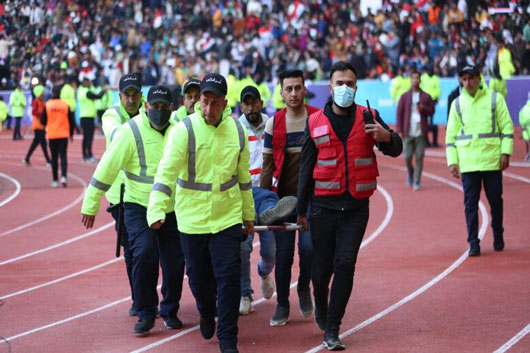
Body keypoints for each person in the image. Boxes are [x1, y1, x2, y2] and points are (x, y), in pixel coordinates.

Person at [297, 61, 402, 350]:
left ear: (357, 87)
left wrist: (387, 137)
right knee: (321, 272)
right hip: (321, 209)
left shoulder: (370, 116)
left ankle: (332, 328)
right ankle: (320, 300)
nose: (345, 88)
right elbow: (306, 168)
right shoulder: (315, 121)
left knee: (345, 264)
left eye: (350, 83)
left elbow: (397, 147)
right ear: (330, 88)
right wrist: (301, 211)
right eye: (339, 83)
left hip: (355, 208)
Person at [147, 74, 255, 353]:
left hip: (227, 216)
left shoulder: (238, 131)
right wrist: (157, 207)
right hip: (192, 219)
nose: (208, 109)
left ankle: (229, 339)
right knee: (198, 279)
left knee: (229, 276)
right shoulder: (184, 130)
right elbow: (166, 172)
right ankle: (207, 312)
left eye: (214, 104)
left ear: (225, 104)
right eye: (204, 102)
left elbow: (243, 178)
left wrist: (248, 213)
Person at [81, 85, 185, 335]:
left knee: (174, 260)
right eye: (154, 107)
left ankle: (170, 310)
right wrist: (91, 202)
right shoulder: (130, 131)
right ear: (145, 107)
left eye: (164, 107)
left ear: (172, 108)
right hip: (138, 205)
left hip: (171, 206)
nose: (158, 112)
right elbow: (108, 167)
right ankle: (146, 311)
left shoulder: (179, 131)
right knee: (144, 252)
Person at [261, 69, 318, 327]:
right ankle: (282, 305)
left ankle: (304, 286)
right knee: (283, 256)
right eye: (289, 89)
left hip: (312, 200)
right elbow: (266, 165)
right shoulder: (274, 123)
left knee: (309, 250)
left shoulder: (317, 118)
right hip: (282, 202)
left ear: (304, 89)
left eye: (298, 88)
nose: (294, 93)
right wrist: (262, 202)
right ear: (281, 93)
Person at [237, 85, 298, 315]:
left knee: (270, 249)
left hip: (267, 195)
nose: (251, 107)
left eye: (254, 103)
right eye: (247, 103)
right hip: (242, 196)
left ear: (260, 103)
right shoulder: (235, 128)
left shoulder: (272, 125)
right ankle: (245, 293)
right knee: (242, 249)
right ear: (241, 106)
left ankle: (264, 271)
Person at [446, 65, 514, 256]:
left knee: (495, 202)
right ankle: (473, 242)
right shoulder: (457, 104)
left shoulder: (495, 99)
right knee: (470, 205)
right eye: (464, 79)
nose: (467, 83)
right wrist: (452, 162)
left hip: (492, 161)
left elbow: (507, 128)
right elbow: (451, 136)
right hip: (468, 164)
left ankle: (498, 234)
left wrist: (505, 153)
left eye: (471, 78)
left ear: (479, 79)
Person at [100, 73, 144, 316]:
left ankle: (150, 297)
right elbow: (116, 135)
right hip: (121, 197)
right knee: (132, 251)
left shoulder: (148, 111)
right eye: (127, 95)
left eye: (135, 94)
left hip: (148, 193)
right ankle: (138, 299)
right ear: (120, 97)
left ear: (141, 95)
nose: (131, 99)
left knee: (152, 250)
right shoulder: (112, 115)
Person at [396, 71, 435, 190]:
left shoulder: (426, 96)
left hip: (421, 132)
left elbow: (432, 111)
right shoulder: (404, 96)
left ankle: (417, 180)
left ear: (420, 80)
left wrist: (423, 108)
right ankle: (410, 172)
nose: (415, 80)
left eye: (417, 78)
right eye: (413, 78)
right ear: (410, 80)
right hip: (408, 131)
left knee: (419, 157)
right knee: (407, 157)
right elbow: (399, 114)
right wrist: (399, 130)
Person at [41, 85, 75, 188]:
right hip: (63, 134)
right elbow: (71, 121)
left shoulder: (47, 105)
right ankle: (64, 177)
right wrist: (71, 134)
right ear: (60, 94)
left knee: (54, 157)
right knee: (63, 156)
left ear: (52, 93)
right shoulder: (65, 105)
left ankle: (55, 180)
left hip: (52, 135)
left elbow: (42, 121)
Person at [78, 77, 106, 162]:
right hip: (88, 117)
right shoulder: (87, 92)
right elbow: (98, 96)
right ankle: (89, 155)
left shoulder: (81, 91)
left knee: (85, 137)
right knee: (89, 137)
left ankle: (84, 155)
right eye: (89, 82)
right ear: (85, 83)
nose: (90, 84)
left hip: (83, 116)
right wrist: (104, 90)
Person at [23, 85, 51, 166]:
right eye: (43, 92)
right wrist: (42, 115)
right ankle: (48, 161)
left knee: (35, 143)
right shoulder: (36, 101)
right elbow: (34, 112)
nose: (44, 93)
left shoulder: (42, 102)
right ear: (39, 93)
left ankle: (27, 158)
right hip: (37, 126)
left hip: (41, 125)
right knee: (43, 143)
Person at [420, 65, 441, 147]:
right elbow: (421, 88)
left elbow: (438, 89)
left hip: (432, 101)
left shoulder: (436, 78)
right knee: (424, 121)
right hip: (424, 101)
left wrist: (436, 98)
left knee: (431, 121)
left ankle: (433, 141)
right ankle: (426, 141)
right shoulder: (423, 77)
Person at [518, 91, 530, 161]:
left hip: (525, 129)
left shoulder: (523, 109)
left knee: (527, 141)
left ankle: (528, 154)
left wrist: (522, 127)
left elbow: (521, 117)